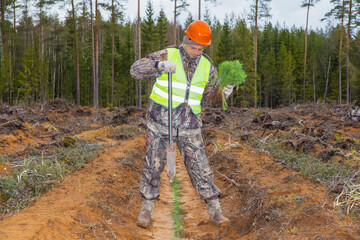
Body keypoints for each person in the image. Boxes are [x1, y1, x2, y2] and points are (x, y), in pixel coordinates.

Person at [130, 20, 233, 229]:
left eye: (201, 48)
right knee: (154, 166)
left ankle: (215, 211)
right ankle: (146, 210)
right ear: (186, 40)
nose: (196, 51)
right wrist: (158, 65)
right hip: (160, 123)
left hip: (190, 126)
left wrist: (223, 95)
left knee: (201, 169)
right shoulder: (168, 54)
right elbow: (135, 70)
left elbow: (208, 98)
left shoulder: (207, 65)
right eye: (193, 47)